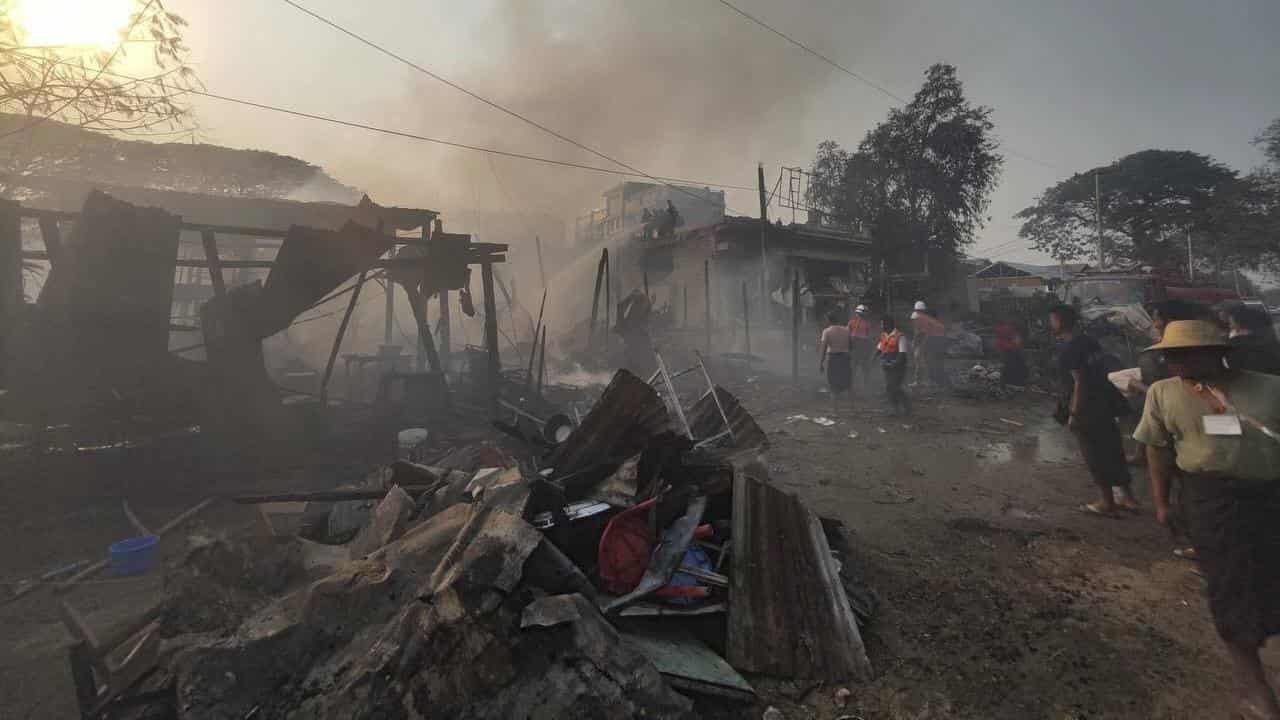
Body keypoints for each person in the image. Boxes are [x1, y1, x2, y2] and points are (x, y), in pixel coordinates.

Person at [1132, 320, 1280, 719]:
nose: (1171, 361)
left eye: (1182, 354)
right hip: (1210, 503)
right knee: (1229, 591)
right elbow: (1157, 451)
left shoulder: (1270, 388)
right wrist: (1161, 503)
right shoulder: (1163, 393)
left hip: (1271, 499)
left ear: (1218, 353)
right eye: (1168, 354)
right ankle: (1257, 690)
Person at [1049, 304, 1139, 516]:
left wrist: (1074, 413)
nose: (1050, 324)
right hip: (1106, 402)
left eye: (1052, 319)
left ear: (1060, 321)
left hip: (1087, 407)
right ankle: (1128, 498)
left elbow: (1079, 382)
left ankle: (1107, 502)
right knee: (1113, 449)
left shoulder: (1068, 348)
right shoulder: (1089, 341)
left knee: (1094, 455)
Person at [818, 310, 855, 414]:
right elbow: (852, 345)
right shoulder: (846, 330)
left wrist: (821, 363)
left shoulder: (827, 331)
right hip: (845, 359)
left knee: (833, 385)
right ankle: (852, 409)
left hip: (833, 359)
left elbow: (823, 348)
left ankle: (835, 411)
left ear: (828, 320)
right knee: (848, 384)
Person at [1226, 305, 1280, 376]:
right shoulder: (1271, 343)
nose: (1230, 327)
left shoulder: (1237, 348)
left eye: (1232, 325)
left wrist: (1233, 340)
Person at [910, 300, 949, 388]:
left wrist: (916, 343)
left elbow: (921, 333)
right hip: (940, 339)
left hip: (934, 339)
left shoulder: (918, 318)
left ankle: (925, 381)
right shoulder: (927, 318)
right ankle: (934, 381)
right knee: (933, 361)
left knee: (923, 360)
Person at [877, 316, 911, 415]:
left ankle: (904, 406)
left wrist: (893, 364)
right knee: (890, 387)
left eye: (882, 324)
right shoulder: (884, 335)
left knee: (894, 387)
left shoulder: (900, 336)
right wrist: (873, 360)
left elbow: (902, 354)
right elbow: (879, 349)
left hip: (898, 367)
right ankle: (896, 408)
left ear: (889, 324)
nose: (881, 326)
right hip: (887, 366)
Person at [992, 318, 1028, 387]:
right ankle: (1014, 382)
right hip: (1010, 350)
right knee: (1013, 365)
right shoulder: (1009, 329)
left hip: (1008, 349)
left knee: (1010, 365)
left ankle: (1009, 382)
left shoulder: (1002, 328)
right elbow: (1016, 341)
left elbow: (999, 340)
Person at [847, 304, 876, 388]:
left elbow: (847, 335)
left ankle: (853, 386)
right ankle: (863, 385)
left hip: (856, 347)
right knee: (862, 368)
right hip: (861, 347)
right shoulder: (866, 324)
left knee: (855, 368)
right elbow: (870, 338)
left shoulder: (852, 322)